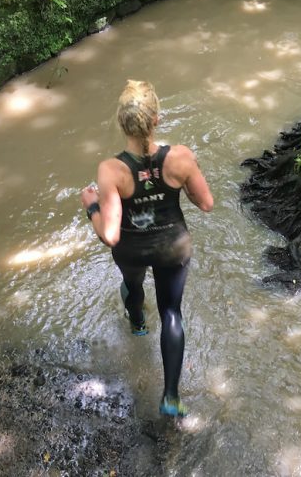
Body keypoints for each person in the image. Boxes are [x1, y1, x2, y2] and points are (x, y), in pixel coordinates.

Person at [81, 80, 213, 417]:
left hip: (132, 250)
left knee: (133, 284)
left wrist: (92, 206)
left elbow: (110, 235)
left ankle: (138, 324)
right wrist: (186, 181)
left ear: (120, 123)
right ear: (156, 120)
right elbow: (206, 204)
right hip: (173, 247)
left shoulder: (112, 170)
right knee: (172, 312)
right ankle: (170, 397)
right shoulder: (181, 157)